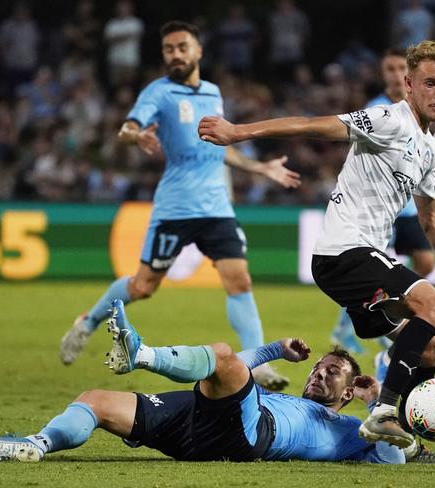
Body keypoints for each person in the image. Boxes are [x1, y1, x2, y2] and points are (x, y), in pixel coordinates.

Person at [198, 38, 435, 448]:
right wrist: (238, 132)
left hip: (363, 258)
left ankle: (404, 442)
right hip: (343, 252)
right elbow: (309, 123)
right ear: (409, 85)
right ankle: (384, 411)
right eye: (430, 83)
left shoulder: (426, 148)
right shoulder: (388, 119)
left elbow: (430, 215)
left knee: (430, 350)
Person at [59, 21, 301, 391]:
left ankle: (258, 363)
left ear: (198, 51)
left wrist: (258, 166)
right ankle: (88, 322)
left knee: (239, 280)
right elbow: (127, 128)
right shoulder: (158, 92)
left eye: (182, 47)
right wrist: (136, 134)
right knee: (142, 287)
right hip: (175, 209)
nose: (175, 54)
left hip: (217, 208)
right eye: (168, 49)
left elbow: (218, 147)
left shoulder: (213, 93)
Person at [0, 301, 435, 464]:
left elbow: (393, 454)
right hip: (201, 426)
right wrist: (273, 351)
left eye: (333, 373)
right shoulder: (272, 394)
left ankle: (142, 353)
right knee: (95, 400)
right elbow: (226, 368)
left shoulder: (353, 432)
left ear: (348, 392)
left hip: (252, 435)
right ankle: (34, 444)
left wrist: (373, 404)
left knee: (220, 357)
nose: (320, 372)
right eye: (319, 367)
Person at [331, 48, 435, 356]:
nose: (393, 74)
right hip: (376, 212)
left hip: (406, 207)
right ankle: (352, 326)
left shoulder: (420, 111)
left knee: (426, 263)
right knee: (372, 276)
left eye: (399, 67)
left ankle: (383, 313)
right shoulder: (377, 109)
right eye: (388, 69)